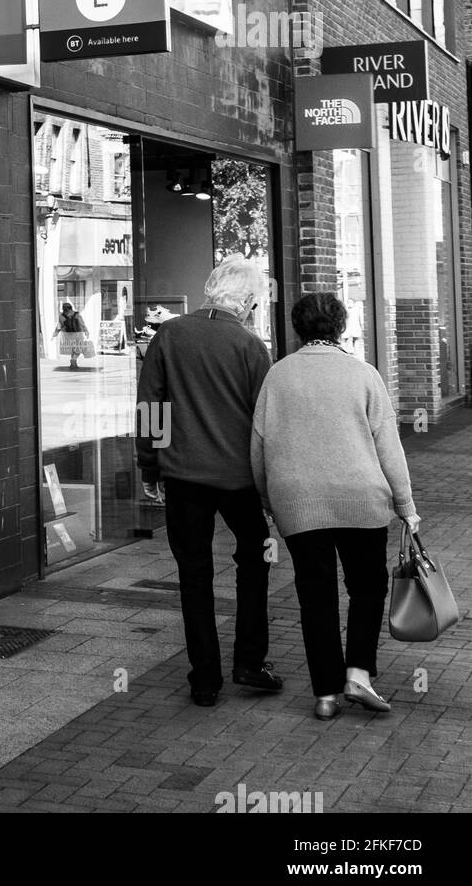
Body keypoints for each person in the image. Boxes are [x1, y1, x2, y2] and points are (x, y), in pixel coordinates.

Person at [252, 293, 420, 722]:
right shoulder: (363, 374)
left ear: (298, 328)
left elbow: (259, 447)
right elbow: (388, 445)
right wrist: (405, 504)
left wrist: (271, 501)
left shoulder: (278, 376)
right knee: (367, 588)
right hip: (361, 499)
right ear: (340, 327)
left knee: (315, 595)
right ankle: (358, 674)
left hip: (298, 503)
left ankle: (325, 693)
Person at [136, 257, 279, 707]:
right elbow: (265, 424)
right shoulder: (252, 347)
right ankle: (250, 662)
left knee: (193, 573)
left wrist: (149, 464)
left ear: (210, 291)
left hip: (184, 477)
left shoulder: (170, 335)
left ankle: (204, 678)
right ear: (249, 302)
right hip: (239, 480)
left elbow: (152, 406)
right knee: (254, 563)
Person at [53, 300, 89, 370]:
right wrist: (86, 331)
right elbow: (82, 324)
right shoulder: (76, 314)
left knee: (73, 349)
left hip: (68, 335)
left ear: (63, 309)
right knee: (79, 348)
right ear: (71, 307)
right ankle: (73, 360)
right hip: (78, 333)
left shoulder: (62, 316)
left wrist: (55, 333)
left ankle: (73, 364)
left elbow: (59, 326)